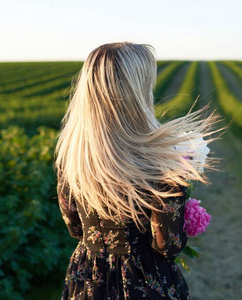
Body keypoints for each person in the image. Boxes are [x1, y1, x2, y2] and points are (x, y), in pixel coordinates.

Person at [53, 42, 224, 299]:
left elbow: (75, 228)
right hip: (141, 280)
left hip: (89, 277)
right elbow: (168, 245)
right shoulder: (161, 159)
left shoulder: (75, 154)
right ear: (136, 91)